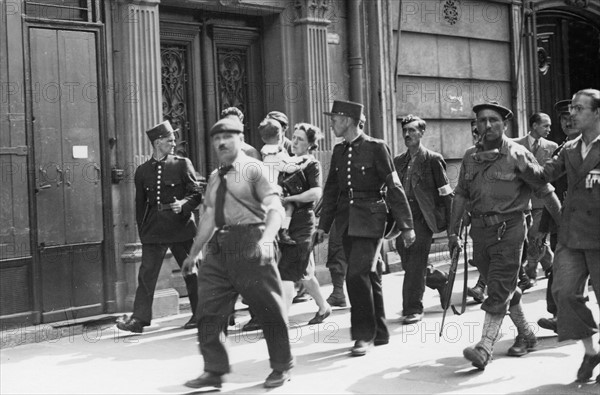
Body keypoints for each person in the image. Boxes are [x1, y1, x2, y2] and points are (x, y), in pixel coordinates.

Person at [181, 117, 293, 389]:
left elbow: (275, 208)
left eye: (227, 138)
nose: (221, 143)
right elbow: (209, 214)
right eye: (216, 139)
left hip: (252, 241)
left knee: (268, 308)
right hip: (219, 248)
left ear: (240, 139)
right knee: (208, 310)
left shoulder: (254, 169)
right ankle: (214, 371)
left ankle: (281, 366)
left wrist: (267, 240)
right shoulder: (215, 176)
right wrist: (194, 253)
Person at [448, 101, 561, 370]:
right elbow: (461, 193)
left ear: (505, 124)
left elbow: (545, 190)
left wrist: (565, 224)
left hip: (510, 229)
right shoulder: (469, 156)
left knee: (498, 287)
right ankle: (526, 334)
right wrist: (452, 231)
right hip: (480, 232)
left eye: (494, 120)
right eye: (482, 120)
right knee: (504, 285)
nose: (487, 125)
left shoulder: (518, 154)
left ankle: (485, 346)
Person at [315, 100, 415, 357]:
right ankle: (380, 332)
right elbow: (332, 190)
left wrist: (406, 226)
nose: (332, 123)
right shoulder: (339, 151)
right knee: (369, 275)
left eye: (335, 119)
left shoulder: (376, 147)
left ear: (348, 120)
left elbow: (394, 187)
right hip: (347, 220)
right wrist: (324, 226)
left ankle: (363, 335)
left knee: (355, 275)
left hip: (372, 219)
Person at [117, 120, 202, 333]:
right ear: (157, 143)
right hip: (154, 229)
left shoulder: (182, 164)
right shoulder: (142, 171)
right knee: (146, 275)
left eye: (174, 140)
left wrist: (182, 205)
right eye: (169, 140)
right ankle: (139, 320)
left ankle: (201, 315)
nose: (174, 144)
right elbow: (140, 205)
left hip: (180, 227)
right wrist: (142, 230)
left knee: (191, 272)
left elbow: (197, 193)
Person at [542, 89, 600, 383]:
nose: (572, 114)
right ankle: (591, 351)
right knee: (563, 292)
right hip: (572, 235)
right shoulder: (569, 148)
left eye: (579, 109)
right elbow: (544, 174)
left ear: (597, 113)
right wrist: (516, 158)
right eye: (571, 109)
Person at [393, 115, 453, 324]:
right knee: (408, 261)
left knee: (416, 262)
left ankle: (413, 308)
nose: (408, 134)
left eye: (412, 130)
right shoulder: (398, 161)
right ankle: (441, 281)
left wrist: (452, 225)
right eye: (405, 131)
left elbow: (445, 192)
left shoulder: (433, 159)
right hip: (403, 219)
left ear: (422, 132)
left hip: (423, 217)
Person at [277, 122, 332, 324]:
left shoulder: (311, 164)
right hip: (286, 222)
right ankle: (324, 307)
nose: (295, 141)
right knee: (304, 272)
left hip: (303, 223)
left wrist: (291, 199)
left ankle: (280, 320)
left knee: (287, 272)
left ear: (309, 144)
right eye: (294, 136)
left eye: (300, 139)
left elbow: (316, 193)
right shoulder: (287, 162)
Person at [537, 99, 581, 333]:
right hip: (563, 223)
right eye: (564, 119)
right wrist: (545, 228)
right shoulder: (559, 151)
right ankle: (560, 316)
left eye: (572, 117)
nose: (568, 122)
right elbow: (549, 190)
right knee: (560, 269)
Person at [513, 113, 558, 287]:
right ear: (533, 125)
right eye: (545, 126)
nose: (549, 129)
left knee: (535, 237)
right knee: (530, 237)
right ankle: (550, 265)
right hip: (522, 201)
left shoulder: (552, 146)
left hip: (542, 202)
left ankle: (530, 274)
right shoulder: (516, 144)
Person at [258, 118, 309, 245]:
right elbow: (289, 167)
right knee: (289, 206)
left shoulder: (266, 150)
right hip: (274, 189)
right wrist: (304, 161)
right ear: (280, 137)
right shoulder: (276, 154)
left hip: (266, 189)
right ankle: (283, 230)